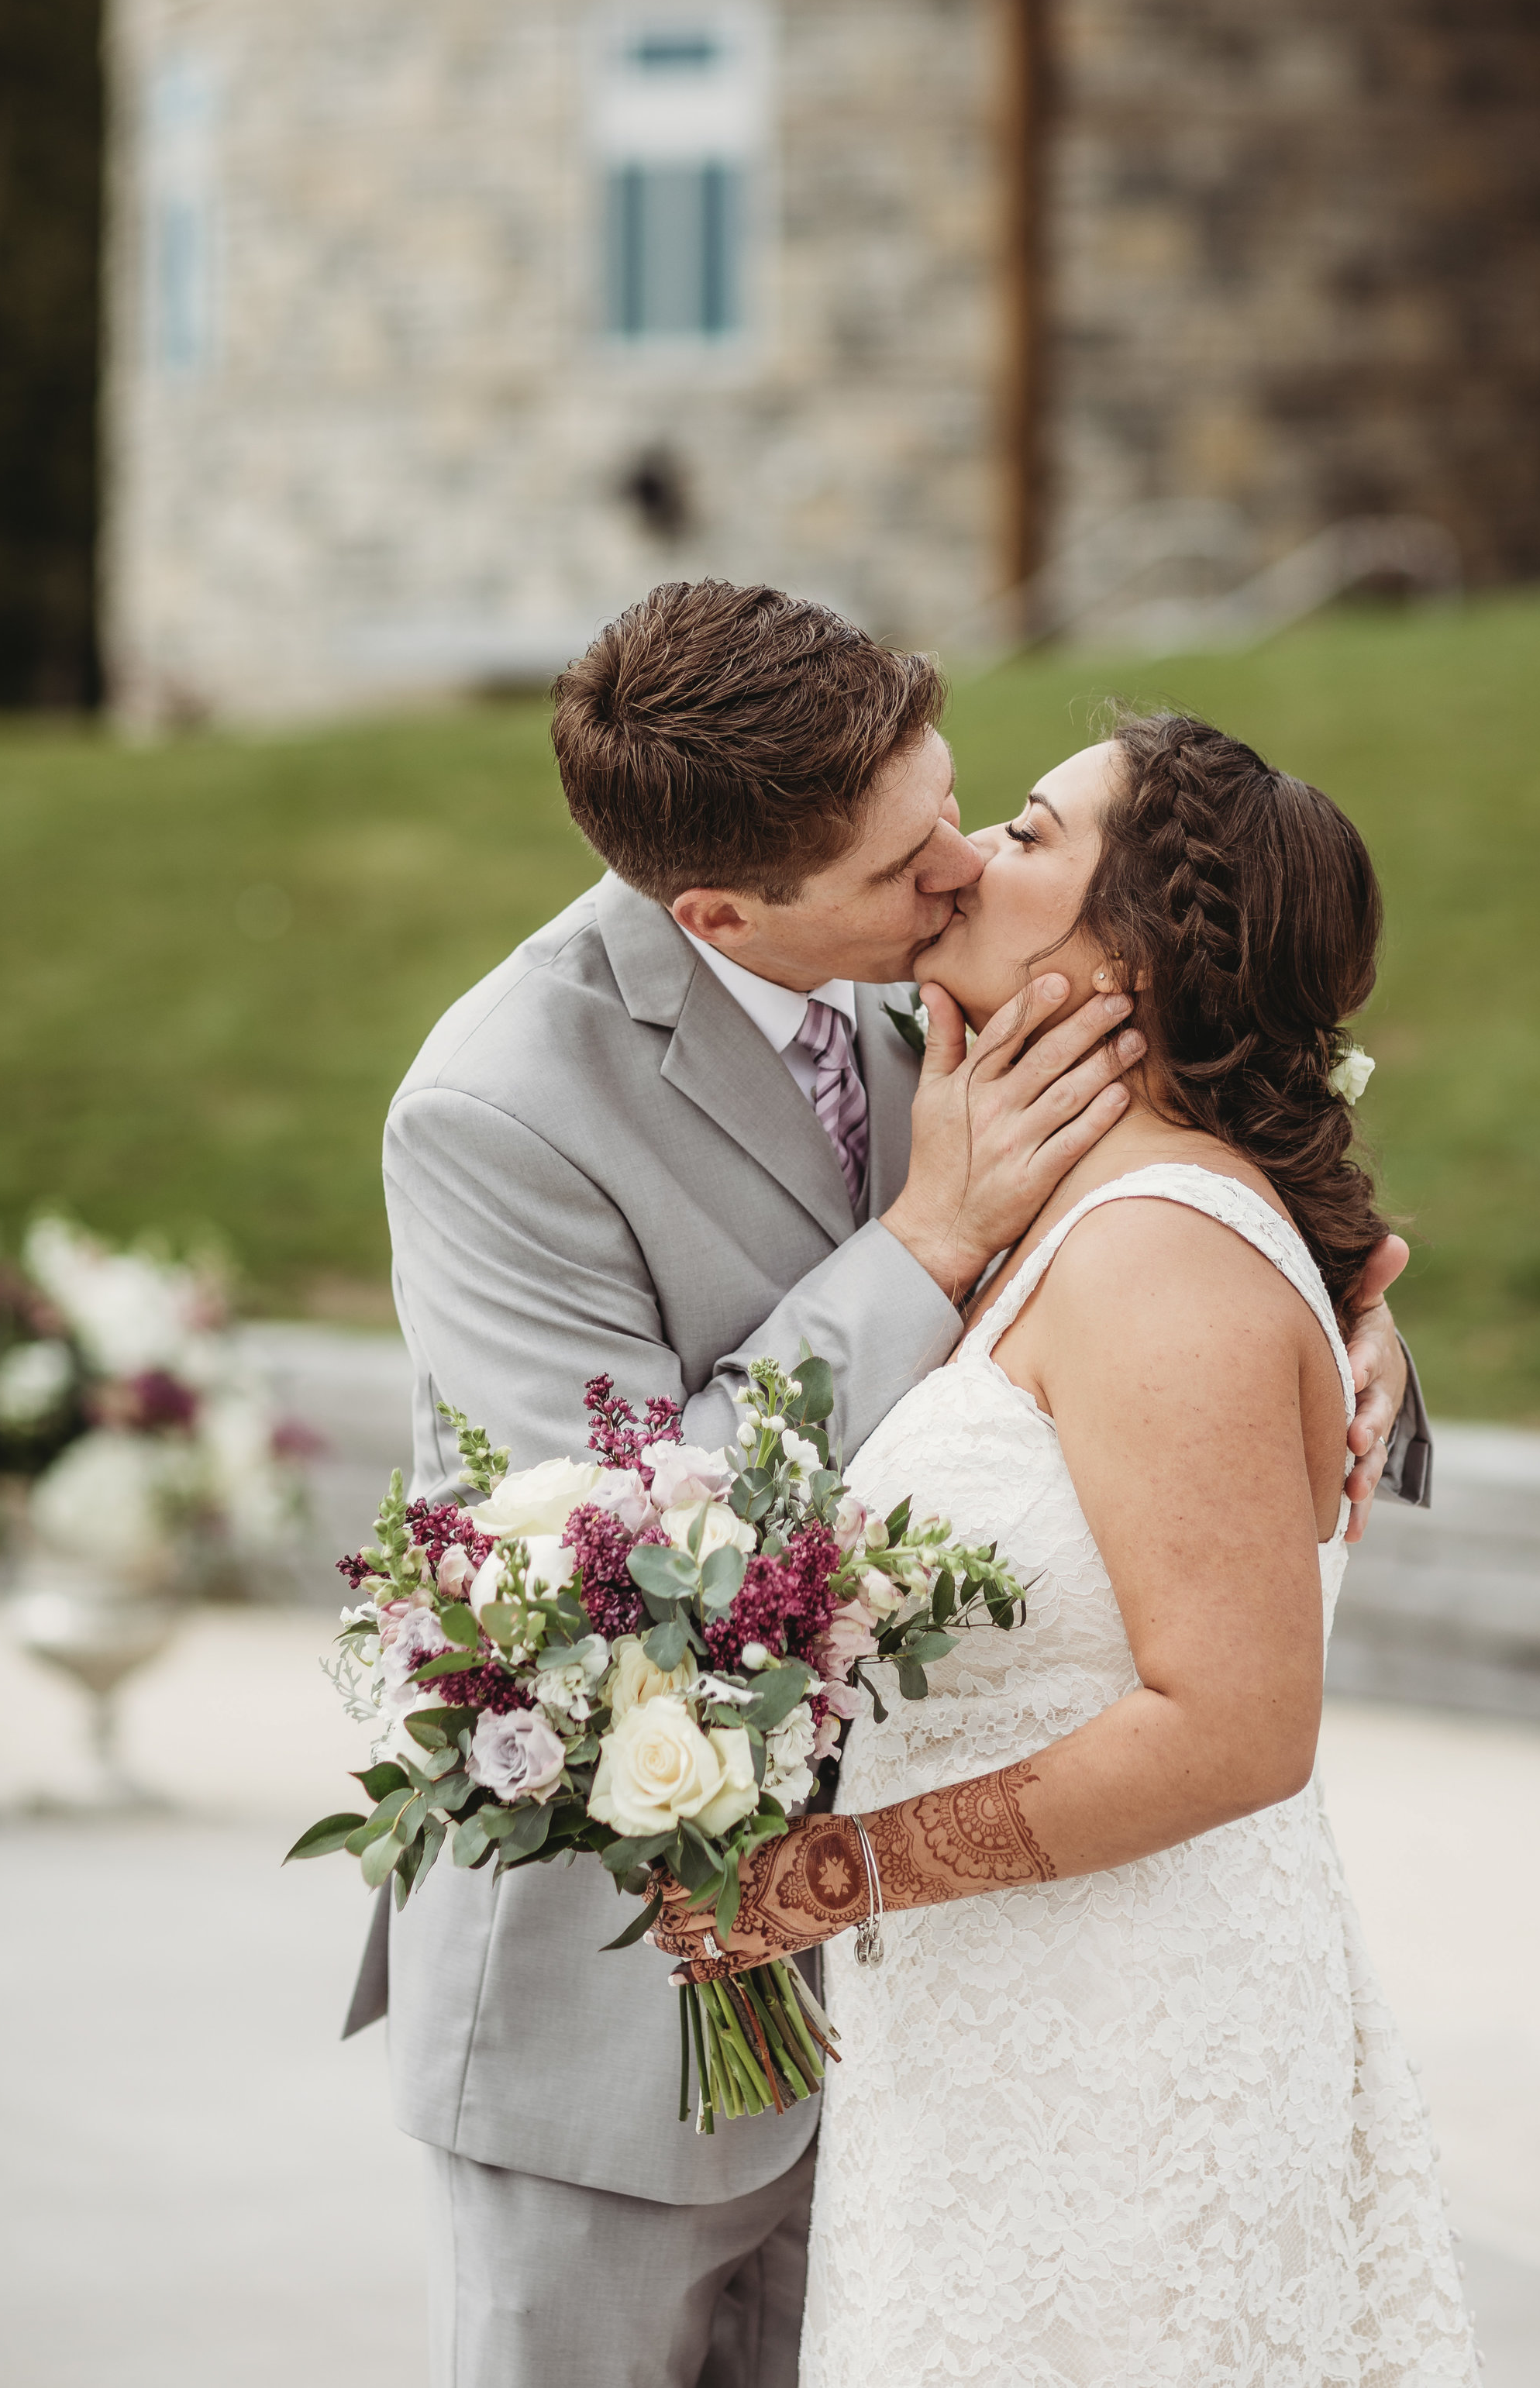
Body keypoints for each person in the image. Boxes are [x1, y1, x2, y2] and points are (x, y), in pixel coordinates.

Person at [353, 583, 1430, 2388]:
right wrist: (923, 1238)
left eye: (965, 814)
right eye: (909, 860)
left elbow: (1197, 1212)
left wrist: (1344, 1327)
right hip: (635, 1992)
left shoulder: (964, 996)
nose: (949, 868)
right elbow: (599, 1550)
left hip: (967, 2000)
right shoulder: (497, 1111)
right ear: (721, 915)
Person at [655, 711, 1476, 2386]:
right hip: (1008, 2035)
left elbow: (1237, 1726)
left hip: (1126, 2048)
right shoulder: (1077, 1213)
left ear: (1136, 953)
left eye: (1027, 833)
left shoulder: (1155, 1247)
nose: (963, 862)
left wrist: (835, 1875)